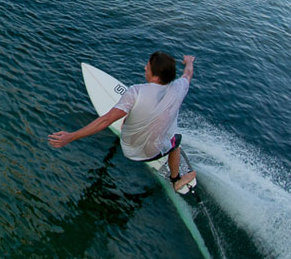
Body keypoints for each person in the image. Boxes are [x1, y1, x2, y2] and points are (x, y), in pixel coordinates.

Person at [48, 52, 197, 192]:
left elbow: (105, 121)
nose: (145, 68)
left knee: (130, 114)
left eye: (148, 67)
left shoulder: (136, 92)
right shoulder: (180, 87)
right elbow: (188, 73)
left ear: (156, 77)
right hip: (151, 150)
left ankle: (176, 180)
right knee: (175, 142)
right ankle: (175, 179)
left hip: (130, 147)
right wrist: (189, 61)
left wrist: (70, 136)